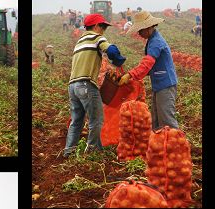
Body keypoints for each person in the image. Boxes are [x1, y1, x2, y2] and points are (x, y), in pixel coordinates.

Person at [63, 14, 127, 158]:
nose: (104, 30)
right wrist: (118, 61)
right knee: (96, 119)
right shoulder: (96, 37)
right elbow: (110, 50)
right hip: (85, 84)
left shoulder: (80, 41)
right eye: (103, 27)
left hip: (72, 86)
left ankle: (69, 151)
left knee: (76, 121)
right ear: (96, 26)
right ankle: (93, 152)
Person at [118, 11, 178, 131]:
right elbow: (149, 67)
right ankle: (159, 146)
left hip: (165, 85)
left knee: (166, 120)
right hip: (159, 84)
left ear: (149, 27)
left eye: (141, 30)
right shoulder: (152, 40)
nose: (139, 33)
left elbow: (147, 64)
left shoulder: (156, 42)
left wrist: (130, 75)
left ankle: (176, 146)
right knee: (156, 119)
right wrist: (134, 76)